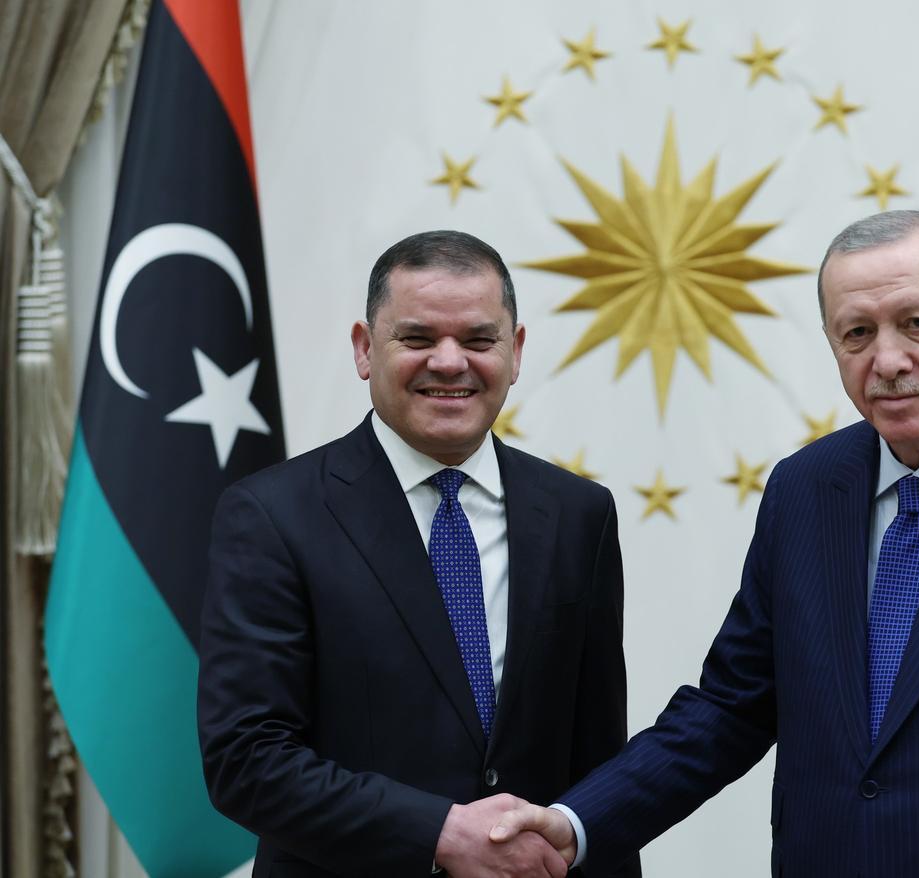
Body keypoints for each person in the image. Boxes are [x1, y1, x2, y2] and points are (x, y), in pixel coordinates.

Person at [491, 210, 919, 875]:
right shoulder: (804, 491)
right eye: (856, 334)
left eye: (916, 324)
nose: (887, 360)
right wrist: (576, 823)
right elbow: (730, 707)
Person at [198, 230, 640, 878]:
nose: (450, 362)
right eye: (419, 339)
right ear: (363, 349)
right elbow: (246, 760)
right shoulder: (271, 516)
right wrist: (436, 833)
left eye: (479, 340)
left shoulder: (578, 514)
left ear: (515, 353)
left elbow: (598, 765)